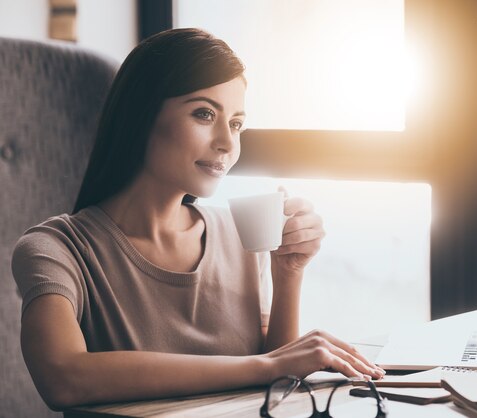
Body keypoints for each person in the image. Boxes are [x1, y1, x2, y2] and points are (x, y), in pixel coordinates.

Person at [11, 28, 384, 411]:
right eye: (204, 113)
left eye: (236, 123)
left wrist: (287, 272)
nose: (227, 142)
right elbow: (63, 378)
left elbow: (276, 387)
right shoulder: (55, 249)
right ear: (141, 116)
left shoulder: (239, 235)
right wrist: (264, 365)